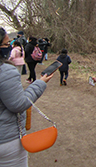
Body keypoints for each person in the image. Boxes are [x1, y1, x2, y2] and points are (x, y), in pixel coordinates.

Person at [0, 27, 54, 166]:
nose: (10, 47)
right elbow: (18, 104)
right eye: (7, 44)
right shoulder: (5, 71)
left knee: (30, 72)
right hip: (6, 141)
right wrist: (40, 84)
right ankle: (33, 79)